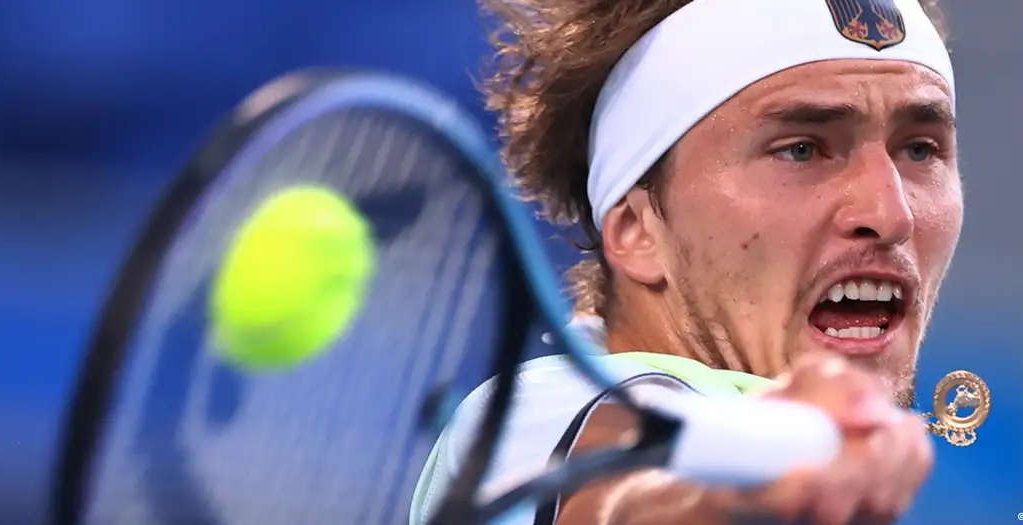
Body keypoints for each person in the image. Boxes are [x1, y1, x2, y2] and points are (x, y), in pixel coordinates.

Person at [411, 0, 961, 523]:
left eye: (919, 149)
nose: (891, 214)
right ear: (638, 231)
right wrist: (751, 493)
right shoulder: (542, 413)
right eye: (800, 149)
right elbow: (616, 501)